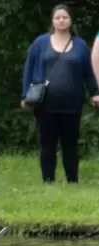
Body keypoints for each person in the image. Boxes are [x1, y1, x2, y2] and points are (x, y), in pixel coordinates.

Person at [21, 4, 99, 184]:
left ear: (70, 20)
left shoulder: (80, 45)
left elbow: (88, 72)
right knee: (47, 144)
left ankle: (73, 180)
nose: (61, 20)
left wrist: (95, 92)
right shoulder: (40, 43)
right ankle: (48, 180)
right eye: (58, 17)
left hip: (72, 104)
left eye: (65, 17)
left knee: (70, 145)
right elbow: (29, 69)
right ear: (52, 21)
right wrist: (25, 95)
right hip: (45, 104)